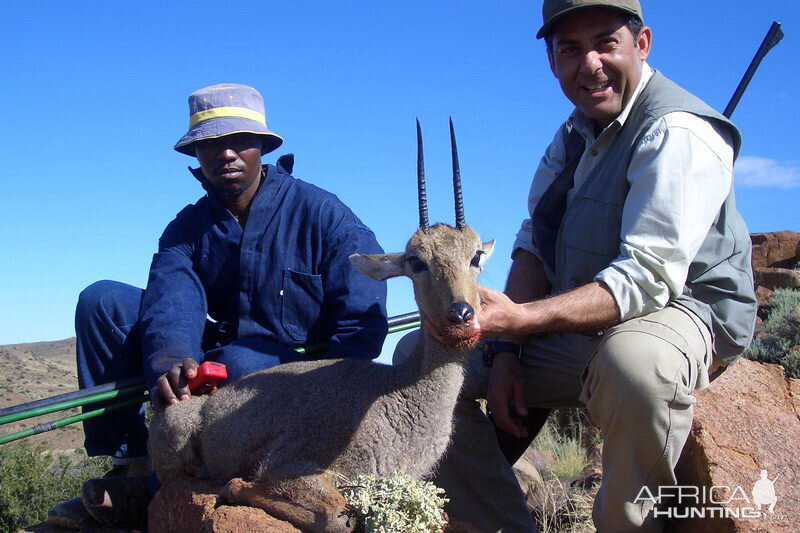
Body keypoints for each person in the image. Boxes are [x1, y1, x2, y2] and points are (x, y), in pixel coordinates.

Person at [397, 1, 757, 531]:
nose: (589, 63)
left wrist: (521, 322)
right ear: (551, 60)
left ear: (643, 44)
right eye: (570, 49)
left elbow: (647, 277)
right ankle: (499, 522)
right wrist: (503, 354)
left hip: (677, 313)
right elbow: (533, 246)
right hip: (582, 323)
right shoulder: (569, 137)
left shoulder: (678, 131)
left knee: (637, 365)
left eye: (605, 43)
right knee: (418, 355)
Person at [52, 83, 388, 528]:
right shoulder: (187, 227)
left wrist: (328, 399)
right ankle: (133, 467)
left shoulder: (326, 216)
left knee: (240, 358)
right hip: (222, 351)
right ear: (196, 155)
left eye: (239, 142)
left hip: (302, 378)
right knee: (103, 301)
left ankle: (180, 484)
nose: (225, 154)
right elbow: (173, 297)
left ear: (262, 149)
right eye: (211, 144)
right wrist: (172, 360)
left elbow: (361, 324)